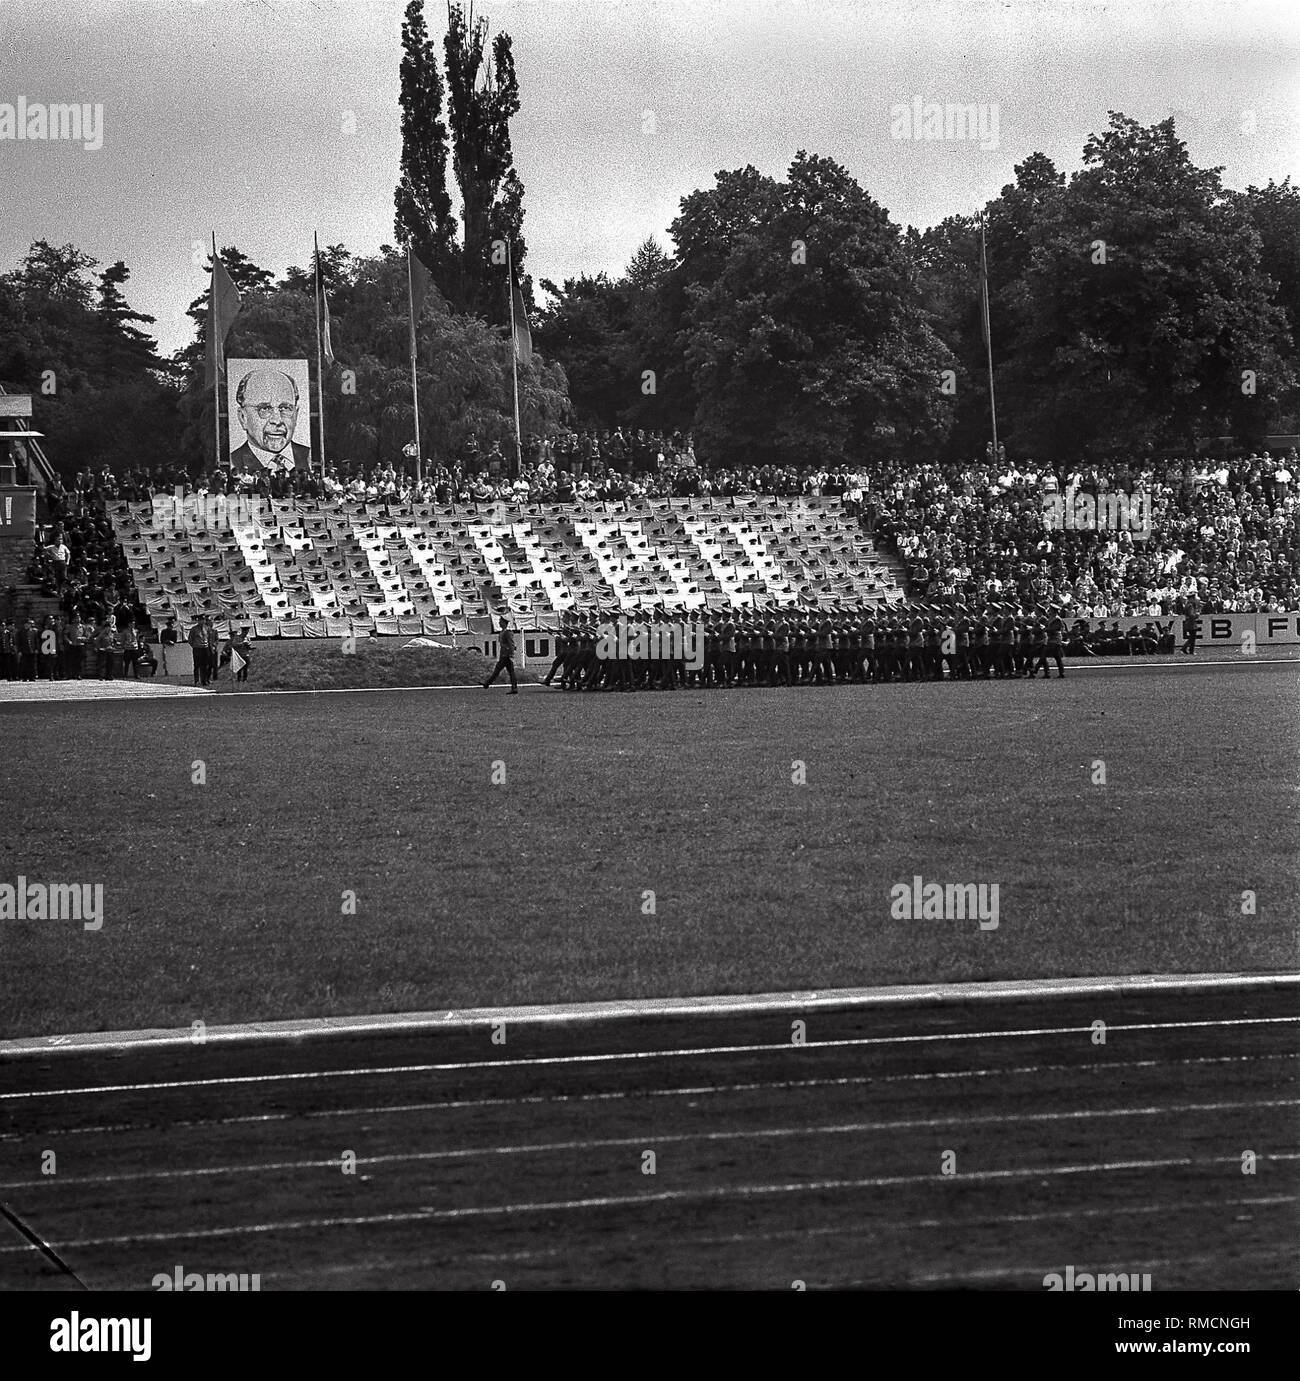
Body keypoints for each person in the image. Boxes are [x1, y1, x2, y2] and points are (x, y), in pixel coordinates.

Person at [228, 368, 312, 476]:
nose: (277, 421)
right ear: (243, 417)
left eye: (285, 408)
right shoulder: (235, 461)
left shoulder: (307, 456)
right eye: (264, 409)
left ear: (296, 414)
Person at [482, 616, 519, 693]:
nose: (499, 623)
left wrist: (511, 655)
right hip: (504, 655)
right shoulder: (503, 632)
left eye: (500, 622)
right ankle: (514, 688)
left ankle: (487, 683)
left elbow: (511, 644)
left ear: (504, 623)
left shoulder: (508, 633)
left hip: (506, 656)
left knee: (499, 670)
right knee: (509, 671)